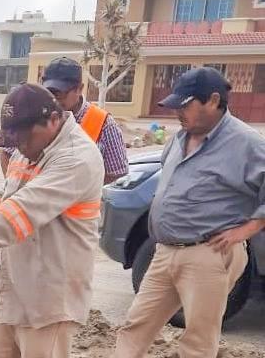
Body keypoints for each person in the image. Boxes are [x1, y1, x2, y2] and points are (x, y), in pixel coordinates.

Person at [0, 83, 104, 358]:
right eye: (16, 142)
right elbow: (2, 202)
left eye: (25, 139)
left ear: (53, 120)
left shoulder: (77, 158)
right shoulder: (28, 152)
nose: (21, 148)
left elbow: (22, 211)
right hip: (9, 291)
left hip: (46, 303)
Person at [113, 67, 265, 358]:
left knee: (198, 340)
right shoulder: (178, 139)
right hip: (165, 253)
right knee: (135, 326)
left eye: (185, 105)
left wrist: (248, 229)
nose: (177, 113)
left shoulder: (247, 143)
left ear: (213, 100)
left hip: (207, 253)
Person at [0, 57, 128, 184]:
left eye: (60, 93)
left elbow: (118, 174)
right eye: (49, 92)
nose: (54, 99)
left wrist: (82, 188)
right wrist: (12, 186)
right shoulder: (35, 113)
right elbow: (7, 152)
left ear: (79, 89)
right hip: (31, 198)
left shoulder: (103, 124)